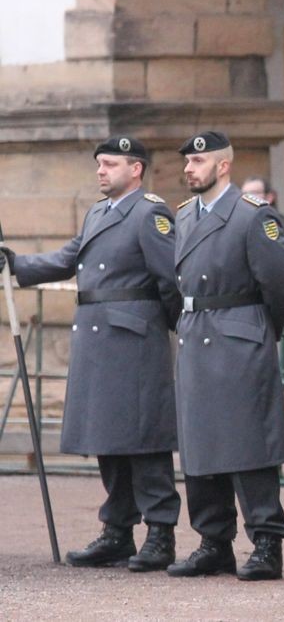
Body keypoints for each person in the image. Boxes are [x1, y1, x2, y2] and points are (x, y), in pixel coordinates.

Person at [0, 135, 182, 572]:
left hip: (135, 339)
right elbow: (69, 258)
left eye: (110, 164)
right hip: (100, 340)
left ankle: (160, 533)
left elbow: (171, 280)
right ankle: (118, 531)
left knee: (144, 439)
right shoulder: (99, 212)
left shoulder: (150, 212)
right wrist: (14, 263)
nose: (100, 171)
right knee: (110, 437)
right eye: (99, 164)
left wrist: (168, 329)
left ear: (134, 169)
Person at [167, 131, 284, 581]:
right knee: (201, 442)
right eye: (187, 162)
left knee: (250, 443)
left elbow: (281, 284)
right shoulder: (183, 217)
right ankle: (213, 540)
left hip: (240, 335)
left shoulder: (251, 216)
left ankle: (266, 541)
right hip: (196, 334)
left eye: (198, 161)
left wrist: (262, 328)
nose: (189, 168)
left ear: (224, 166)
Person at [240, 175, 284, 276]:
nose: (247, 198)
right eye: (244, 194)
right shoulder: (240, 224)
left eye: (252, 193)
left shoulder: (277, 223)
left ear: (269, 197)